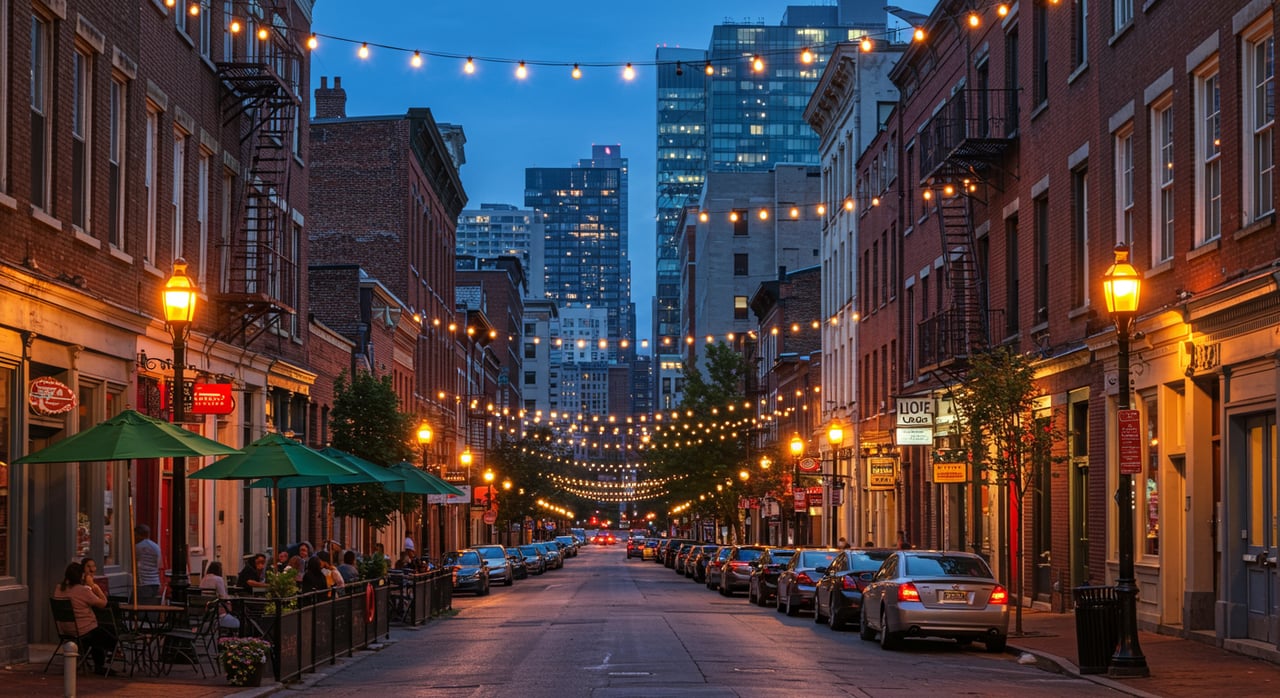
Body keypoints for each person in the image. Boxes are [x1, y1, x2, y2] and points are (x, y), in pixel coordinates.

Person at [53, 561, 116, 676]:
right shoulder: (83, 590)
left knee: (97, 633)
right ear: (81, 576)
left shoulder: (59, 588)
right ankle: (99, 665)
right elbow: (103, 603)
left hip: (65, 629)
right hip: (83, 630)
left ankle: (83, 657)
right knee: (108, 633)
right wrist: (94, 586)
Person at [197, 562, 241, 630]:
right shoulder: (218, 579)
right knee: (237, 606)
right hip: (216, 608)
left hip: (207, 606)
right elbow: (223, 596)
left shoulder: (204, 579)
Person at [134, 524, 161, 603]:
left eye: (135, 535)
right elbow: (159, 565)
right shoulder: (156, 547)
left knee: (139, 605)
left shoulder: (137, 547)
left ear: (140, 535)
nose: (134, 537)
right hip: (155, 582)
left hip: (143, 584)